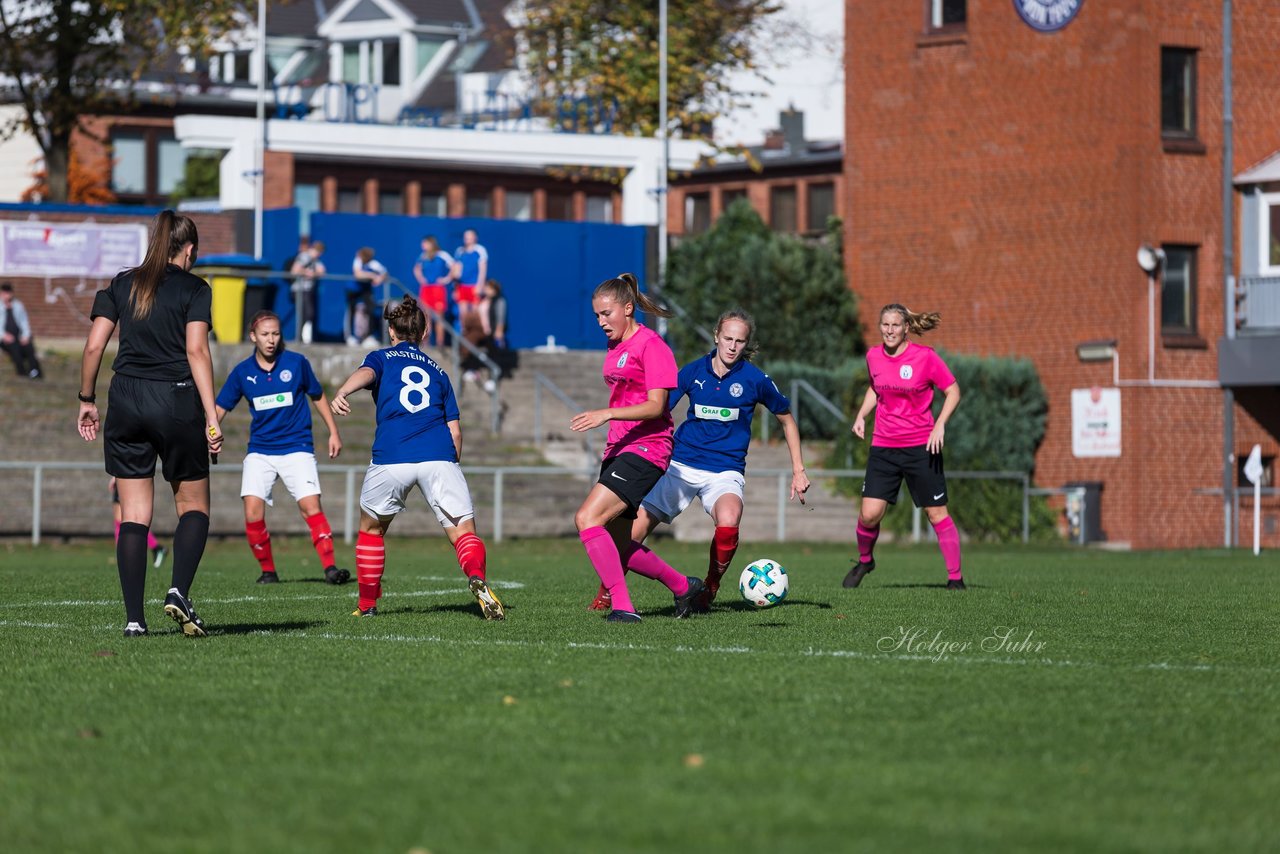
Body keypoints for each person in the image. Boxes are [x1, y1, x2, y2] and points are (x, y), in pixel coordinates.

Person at [586, 308, 811, 612]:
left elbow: (787, 421)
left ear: (747, 345)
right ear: (717, 336)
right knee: (631, 534)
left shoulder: (755, 380)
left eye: (740, 341)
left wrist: (798, 470)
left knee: (729, 520)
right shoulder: (693, 372)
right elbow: (658, 408)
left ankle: (709, 587)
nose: (732, 346)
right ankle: (608, 591)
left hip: (725, 471)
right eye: (728, 338)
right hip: (679, 465)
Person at [77, 210, 223, 637]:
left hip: (124, 398)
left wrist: (87, 399)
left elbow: (92, 347)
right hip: (175, 398)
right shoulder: (195, 288)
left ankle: (134, 620)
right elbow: (197, 351)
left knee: (134, 515)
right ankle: (178, 591)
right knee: (194, 507)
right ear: (190, 249)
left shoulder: (122, 283)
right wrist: (212, 416)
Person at [330, 295, 505, 620]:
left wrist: (342, 391)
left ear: (391, 331)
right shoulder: (439, 372)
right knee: (464, 532)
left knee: (371, 530)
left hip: (392, 454)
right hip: (438, 455)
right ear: (424, 334)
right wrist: (452, 466)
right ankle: (476, 577)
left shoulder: (381, 357)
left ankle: (367, 606)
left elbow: (367, 372)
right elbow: (455, 431)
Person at [570, 272, 704, 623]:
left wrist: (607, 413)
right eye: (597, 315)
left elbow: (658, 405)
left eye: (607, 313)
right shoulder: (615, 347)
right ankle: (682, 586)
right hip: (620, 448)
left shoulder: (652, 345)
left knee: (587, 518)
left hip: (648, 448)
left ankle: (623, 607)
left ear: (628, 308)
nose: (601, 322)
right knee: (618, 543)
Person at [214, 310, 350, 586]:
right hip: (260, 451)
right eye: (265, 334)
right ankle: (268, 571)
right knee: (252, 512)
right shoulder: (242, 372)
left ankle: (330, 569)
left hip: (297, 446)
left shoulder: (296, 363)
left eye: (276, 333)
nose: (271, 340)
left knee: (311, 506)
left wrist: (333, 432)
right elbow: (219, 409)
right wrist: (211, 433)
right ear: (253, 337)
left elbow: (318, 396)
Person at [847, 303, 964, 590]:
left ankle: (955, 579)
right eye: (885, 325)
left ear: (906, 328)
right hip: (884, 446)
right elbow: (876, 387)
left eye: (895, 325)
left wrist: (940, 425)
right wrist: (862, 414)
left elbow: (953, 391)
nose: (889, 330)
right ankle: (865, 560)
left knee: (936, 513)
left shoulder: (926, 357)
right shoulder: (873, 356)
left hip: (921, 447)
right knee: (870, 514)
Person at [109, 477, 167, 568]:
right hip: (125, 475)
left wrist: (114, 477)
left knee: (124, 521)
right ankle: (155, 547)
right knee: (121, 521)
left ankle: (155, 547)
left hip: (124, 475)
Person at [412, 235, 454, 347]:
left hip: (438, 289)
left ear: (431, 243)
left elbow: (454, 267)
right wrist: (421, 279)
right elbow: (416, 269)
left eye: (424, 243)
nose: (422, 246)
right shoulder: (423, 256)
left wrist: (446, 279)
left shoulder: (442, 254)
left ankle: (440, 343)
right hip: (426, 289)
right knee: (426, 316)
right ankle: (426, 342)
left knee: (439, 316)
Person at [0, 282, 43, 379]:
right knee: (14, 348)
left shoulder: (18, 305)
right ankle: (22, 372)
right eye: (4, 293)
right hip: (5, 338)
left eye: (8, 292)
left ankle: (35, 372)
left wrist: (25, 335)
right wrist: (3, 335)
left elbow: (24, 322)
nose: (6, 295)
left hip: (18, 336)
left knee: (29, 347)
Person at [348, 246, 387, 346]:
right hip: (353, 289)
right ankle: (351, 336)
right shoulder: (357, 261)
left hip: (366, 290)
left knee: (371, 309)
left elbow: (384, 272)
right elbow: (358, 274)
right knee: (351, 311)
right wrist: (372, 276)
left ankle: (369, 336)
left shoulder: (373, 263)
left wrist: (379, 279)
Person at [289, 239, 326, 344]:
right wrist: (307, 273)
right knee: (307, 313)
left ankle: (304, 337)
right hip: (300, 290)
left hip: (308, 290)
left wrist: (314, 273)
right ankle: (301, 337)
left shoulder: (315, 260)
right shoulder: (304, 257)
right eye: (318, 252)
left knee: (308, 313)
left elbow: (322, 271)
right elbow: (294, 271)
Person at [451, 229, 487, 322]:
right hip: (462, 287)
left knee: (475, 313)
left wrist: (480, 286)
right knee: (463, 314)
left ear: (475, 237)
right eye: (466, 236)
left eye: (470, 235)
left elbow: (482, 270)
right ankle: (464, 334)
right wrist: (455, 288)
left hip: (474, 286)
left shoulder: (480, 250)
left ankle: (473, 335)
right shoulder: (459, 251)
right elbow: (456, 270)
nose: (467, 238)